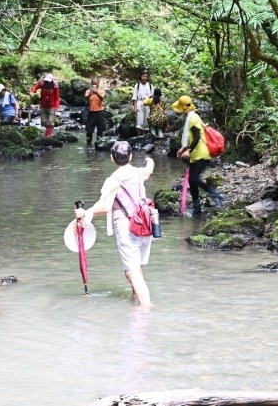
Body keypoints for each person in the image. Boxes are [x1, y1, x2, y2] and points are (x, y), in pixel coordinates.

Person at [74, 141, 155, 307]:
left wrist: (86, 213)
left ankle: (146, 308)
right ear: (130, 156)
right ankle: (136, 299)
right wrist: (150, 160)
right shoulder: (138, 173)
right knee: (135, 269)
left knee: (133, 273)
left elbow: (104, 206)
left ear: (112, 158)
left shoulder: (113, 180)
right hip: (146, 224)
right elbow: (149, 170)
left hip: (128, 229)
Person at [171, 95, 222, 216]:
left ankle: (213, 193)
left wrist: (188, 150)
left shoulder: (193, 118)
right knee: (192, 181)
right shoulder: (192, 116)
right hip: (196, 154)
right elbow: (192, 137)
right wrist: (184, 148)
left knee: (193, 178)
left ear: (183, 108)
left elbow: (197, 137)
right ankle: (196, 208)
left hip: (202, 154)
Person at [30, 73, 60, 138]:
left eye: (48, 81)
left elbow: (57, 97)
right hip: (43, 105)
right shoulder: (41, 83)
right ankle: (48, 130)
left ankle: (48, 135)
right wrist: (32, 92)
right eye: (46, 81)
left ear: (51, 81)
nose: (47, 82)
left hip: (52, 106)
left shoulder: (55, 87)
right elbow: (35, 88)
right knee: (43, 122)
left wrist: (57, 107)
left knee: (50, 121)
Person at [84, 77, 107, 145]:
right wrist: (91, 93)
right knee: (89, 130)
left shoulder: (101, 91)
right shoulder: (88, 91)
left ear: (98, 84)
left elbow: (102, 98)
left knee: (100, 130)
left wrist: (96, 92)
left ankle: (99, 143)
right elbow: (86, 98)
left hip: (100, 112)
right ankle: (88, 144)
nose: (94, 85)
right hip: (91, 112)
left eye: (96, 83)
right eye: (93, 83)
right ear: (91, 84)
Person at [131, 70, 154, 137]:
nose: (144, 78)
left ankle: (144, 136)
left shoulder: (150, 85)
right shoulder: (137, 85)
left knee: (146, 121)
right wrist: (135, 108)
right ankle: (139, 136)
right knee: (139, 120)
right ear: (140, 77)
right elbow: (135, 97)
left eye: (146, 77)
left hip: (147, 104)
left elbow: (152, 96)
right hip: (139, 103)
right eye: (143, 76)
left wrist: (152, 106)